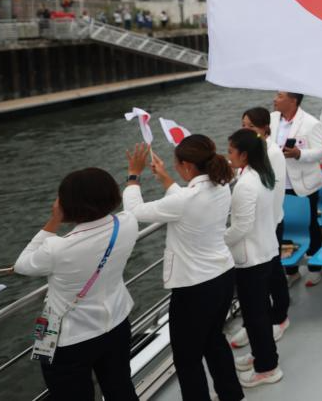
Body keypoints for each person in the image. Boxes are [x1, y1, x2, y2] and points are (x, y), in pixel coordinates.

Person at [123, 138, 244, 401]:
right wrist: (166, 179)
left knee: (187, 357)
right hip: (223, 276)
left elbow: (134, 211)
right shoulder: (221, 185)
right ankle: (232, 395)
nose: (176, 168)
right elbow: (186, 201)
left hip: (195, 287)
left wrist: (134, 175)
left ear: (187, 166)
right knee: (214, 340)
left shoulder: (187, 199)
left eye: (177, 165)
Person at [14, 168, 139, 401]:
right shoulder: (127, 223)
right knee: (121, 389)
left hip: (65, 336)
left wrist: (54, 220)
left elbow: (22, 265)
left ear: (67, 204)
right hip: (117, 322)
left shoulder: (57, 248)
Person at [228, 108, 290, 349]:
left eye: (251, 126)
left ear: (265, 128)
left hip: (269, 222)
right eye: (243, 124)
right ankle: (253, 326)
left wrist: (268, 225)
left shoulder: (272, 153)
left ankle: (280, 317)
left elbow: (276, 192)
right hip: (259, 225)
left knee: (273, 275)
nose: (246, 129)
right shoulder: (251, 154)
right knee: (262, 285)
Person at [225, 128, 283, 387]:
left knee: (255, 315)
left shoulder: (246, 185)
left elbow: (241, 227)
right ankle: (261, 354)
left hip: (251, 259)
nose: (228, 155)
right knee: (260, 312)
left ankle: (267, 367)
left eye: (231, 151)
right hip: (266, 250)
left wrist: (218, 240)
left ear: (244, 154)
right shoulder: (263, 174)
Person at [271, 91, 322, 287]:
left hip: (304, 183)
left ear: (293, 100)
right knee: (283, 225)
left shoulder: (311, 123)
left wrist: (299, 154)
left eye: (280, 96)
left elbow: (320, 152)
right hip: (279, 183)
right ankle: (291, 269)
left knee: (311, 224)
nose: (275, 99)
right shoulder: (271, 120)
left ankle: (315, 267)